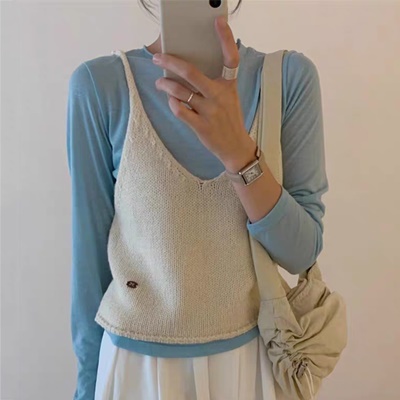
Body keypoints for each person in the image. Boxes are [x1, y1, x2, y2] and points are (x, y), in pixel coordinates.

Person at [66, 3, 329, 400]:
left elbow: (301, 253)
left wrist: (239, 153)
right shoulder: (100, 86)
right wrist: (87, 389)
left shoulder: (286, 78)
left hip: (249, 364)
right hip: (136, 371)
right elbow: (89, 265)